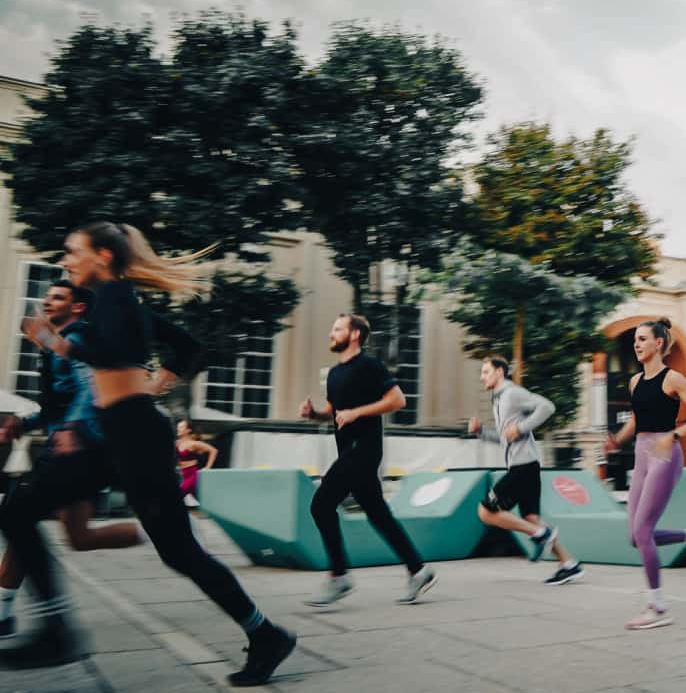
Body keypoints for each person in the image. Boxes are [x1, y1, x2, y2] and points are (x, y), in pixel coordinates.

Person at [2, 222, 294, 685]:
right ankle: (266, 635)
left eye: (72, 251)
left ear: (102, 255)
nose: (65, 260)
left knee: (175, 550)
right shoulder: (120, 301)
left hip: (133, 435)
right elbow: (186, 347)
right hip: (121, 434)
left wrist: (52, 340)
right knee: (23, 508)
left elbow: (110, 352)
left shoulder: (114, 298)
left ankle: (57, 629)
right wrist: (154, 385)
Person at [0, 280, 146, 639]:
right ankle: (162, 530)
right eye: (47, 296)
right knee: (79, 537)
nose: (47, 301)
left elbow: (89, 387)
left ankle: (10, 613)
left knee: (17, 513)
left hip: (76, 449)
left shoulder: (76, 338)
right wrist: (24, 423)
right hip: (72, 445)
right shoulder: (59, 344)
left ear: (77, 307)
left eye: (58, 297)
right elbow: (57, 405)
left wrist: (73, 429)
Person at [300, 314, 436, 608]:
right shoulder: (334, 373)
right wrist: (315, 414)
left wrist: (357, 413)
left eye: (337, 329)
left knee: (321, 505)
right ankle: (418, 570)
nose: (331, 333)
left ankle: (339, 576)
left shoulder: (369, 366)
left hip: (365, 449)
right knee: (378, 513)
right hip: (347, 451)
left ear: (354, 335)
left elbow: (398, 400)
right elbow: (333, 411)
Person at [604, 318, 686, 630]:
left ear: (658, 344)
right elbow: (636, 420)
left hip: (665, 455)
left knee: (643, 530)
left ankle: (656, 607)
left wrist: (674, 435)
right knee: (635, 537)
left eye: (642, 339)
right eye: (635, 340)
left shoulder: (674, 379)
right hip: (642, 455)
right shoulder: (634, 382)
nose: (636, 344)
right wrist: (617, 440)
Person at [469, 356, 584, 586]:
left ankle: (541, 535)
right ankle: (569, 564)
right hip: (526, 465)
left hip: (523, 466)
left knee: (485, 512)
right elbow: (506, 437)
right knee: (532, 519)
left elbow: (547, 407)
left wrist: (521, 428)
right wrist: (481, 432)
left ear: (500, 372)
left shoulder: (512, 393)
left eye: (485, 372)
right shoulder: (498, 398)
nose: (482, 377)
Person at [175, 420, 218, 500]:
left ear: (188, 430)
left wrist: (207, 468)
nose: (178, 429)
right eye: (178, 427)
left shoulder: (194, 444)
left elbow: (213, 450)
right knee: (201, 499)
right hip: (184, 474)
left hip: (193, 474)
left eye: (180, 427)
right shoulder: (177, 443)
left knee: (178, 495)